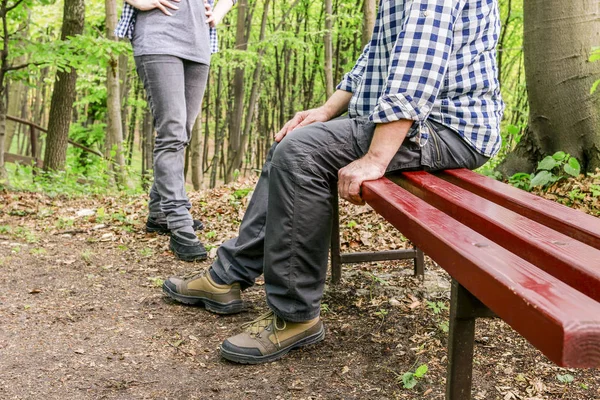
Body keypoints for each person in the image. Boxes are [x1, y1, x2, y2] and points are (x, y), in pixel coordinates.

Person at [163, 0, 504, 364]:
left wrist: (376, 158)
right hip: (418, 122)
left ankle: (296, 315)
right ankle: (227, 277)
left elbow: (417, 63)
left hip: (445, 127)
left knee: (301, 153)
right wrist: (326, 110)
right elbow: (377, 55)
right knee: (291, 140)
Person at [115, 0, 236, 261]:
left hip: (199, 43)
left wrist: (218, 13)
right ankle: (180, 222)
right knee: (172, 132)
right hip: (158, 38)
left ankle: (158, 212)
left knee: (182, 132)